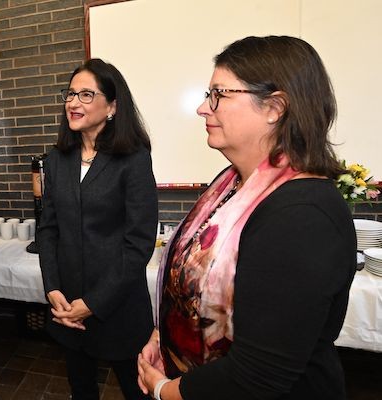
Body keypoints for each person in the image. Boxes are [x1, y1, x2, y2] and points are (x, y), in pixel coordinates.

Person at [137, 36, 357, 400]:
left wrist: (165, 391)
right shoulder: (230, 184)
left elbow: (259, 376)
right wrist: (163, 337)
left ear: (274, 107)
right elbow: (189, 285)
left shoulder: (302, 216)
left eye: (218, 95)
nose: (203, 109)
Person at [37, 58, 158, 399]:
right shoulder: (57, 159)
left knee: (137, 391)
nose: (73, 103)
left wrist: (93, 302)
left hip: (116, 308)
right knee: (81, 389)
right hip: (68, 309)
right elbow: (47, 230)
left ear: (112, 106)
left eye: (86, 95)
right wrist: (53, 290)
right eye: (70, 94)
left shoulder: (133, 159)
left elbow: (138, 243)